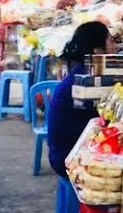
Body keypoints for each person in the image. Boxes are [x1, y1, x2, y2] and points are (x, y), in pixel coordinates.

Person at [47, 21, 115, 178]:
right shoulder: (88, 82)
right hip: (69, 157)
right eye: (111, 41)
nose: (116, 47)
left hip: (68, 150)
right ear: (97, 50)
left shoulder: (84, 71)